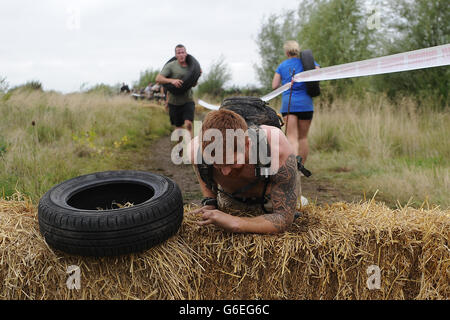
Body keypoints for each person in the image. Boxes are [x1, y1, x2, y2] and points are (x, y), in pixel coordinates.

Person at [187, 109, 298, 234]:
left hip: (269, 199)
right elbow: (203, 172)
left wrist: (236, 223)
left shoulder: (276, 147)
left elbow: (284, 218)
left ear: (247, 144)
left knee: (300, 205)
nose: (225, 172)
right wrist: (210, 201)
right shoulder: (195, 152)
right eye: (217, 165)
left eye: (232, 162)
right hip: (231, 197)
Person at [272, 40, 320, 165]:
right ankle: (301, 168)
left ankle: (293, 169)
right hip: (306, 104)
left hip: (289, 105)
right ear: (297, 51)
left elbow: (274, 85)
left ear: (287, 52)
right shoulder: (307, 63)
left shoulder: (282, 66)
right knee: (303, 137)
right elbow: (318, 71)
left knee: (291, 137)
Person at [156, 44, 198, 139]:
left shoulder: (191, 66)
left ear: (186, 53)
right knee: (178, 128)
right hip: (174, 102)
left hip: (188, 100)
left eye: (183, 52)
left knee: (188, 124)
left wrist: (197, 75)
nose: (181, 54)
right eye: (179, 53)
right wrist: (172, 81)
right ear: (176, 55)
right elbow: (158, 78)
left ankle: (189, 148)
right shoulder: (171, 66)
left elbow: (193, 84)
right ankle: (180, 149)